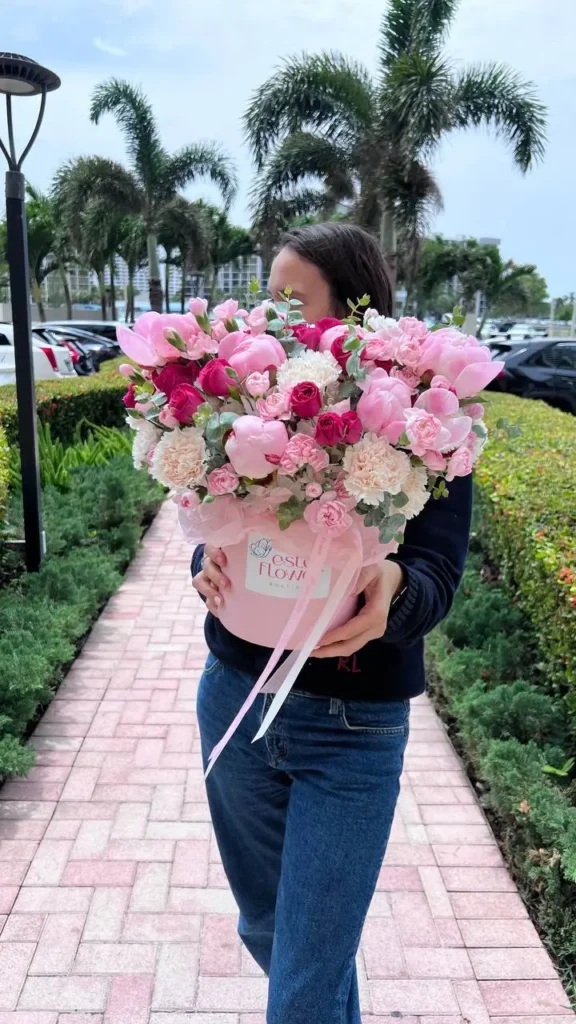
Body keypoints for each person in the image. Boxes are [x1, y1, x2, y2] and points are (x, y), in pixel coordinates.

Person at [192, 222, 472, 1024]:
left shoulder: (431, 416)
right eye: (265, 299)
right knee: (274, 933)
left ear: (354, 312)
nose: (270, 319)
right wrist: (204, 563)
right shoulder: (243, 406)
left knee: (305, 980)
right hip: (235, 699)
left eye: (290, 302)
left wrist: (394, 586)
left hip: (355, 726)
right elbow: (222, 522)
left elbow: (437, 570)